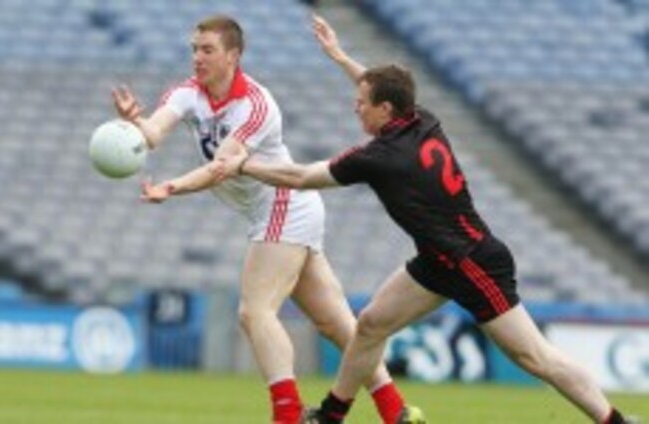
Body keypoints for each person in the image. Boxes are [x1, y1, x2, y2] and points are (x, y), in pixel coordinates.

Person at [212, 15, 632, 424]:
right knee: (371, 325)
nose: (355, 110)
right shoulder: (421, 119)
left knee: (534, 357)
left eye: (362, 106)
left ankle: (613, 420)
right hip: (438, 259)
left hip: (471, 262)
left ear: (386, 110)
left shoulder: (380, 157)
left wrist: (243, 164)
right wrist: (341, 58)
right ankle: (331, 415)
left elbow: (302, 176)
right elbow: (380, 88)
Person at [111, 14, 423, 424]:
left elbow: (221, 167)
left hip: (285, 203)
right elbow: (154, 133)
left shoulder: (256, 105)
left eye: (207, 50)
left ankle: (287, 415)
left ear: (233, 55)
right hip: (285, 209)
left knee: (254, 312)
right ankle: (396, 413)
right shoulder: (189, 92)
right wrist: (136, 123)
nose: (197, 58)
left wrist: (170, 188)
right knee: (337, 324)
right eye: (194, 49)